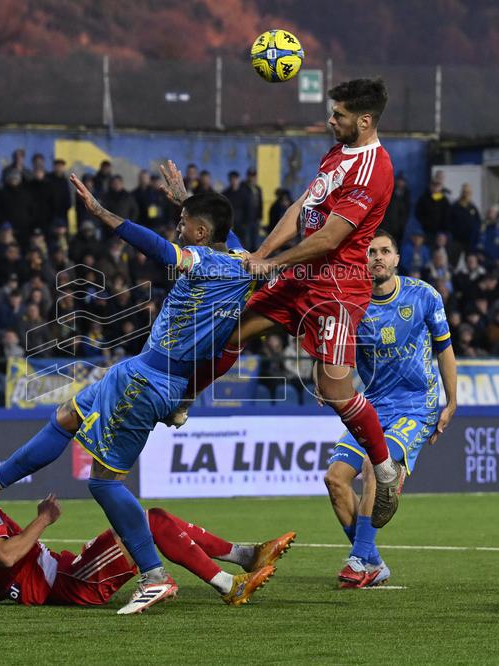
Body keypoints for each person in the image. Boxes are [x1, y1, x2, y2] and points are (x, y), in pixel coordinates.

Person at [0, 165, 254, 614]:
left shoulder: (202, 261)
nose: (178, 228)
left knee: (104, 483)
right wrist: (184, 200)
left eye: (185, 225)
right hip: (144, 371)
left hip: (147, 380)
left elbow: (159, 248)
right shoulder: (239, 259)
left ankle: (154, 576)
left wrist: (102, 212)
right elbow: (223, 235)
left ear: (201, 233)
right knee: (65, 417)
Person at [167, 78, 404, 528]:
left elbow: (332, 236)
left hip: (338, 287)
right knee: (232, 329)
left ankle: (385, 468)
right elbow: (302, 209)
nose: (330, 120)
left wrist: (272, 265)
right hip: (304, 275)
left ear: (365, 120)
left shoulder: (376, 169)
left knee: (334, 389)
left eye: (339, 115)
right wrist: (260, 255)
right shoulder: (338, 152)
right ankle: (185, 397)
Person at [0, 445, 291, 610]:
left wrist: (9, 591)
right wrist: (44, 517)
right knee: (148, 520)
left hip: (62, 576)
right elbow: (6, 556)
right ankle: (229, 583)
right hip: (67, 580)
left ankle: (246, 557)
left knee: (151, 519)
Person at [323, 231, 457, 588]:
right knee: (335, 480)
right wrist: (327, 380)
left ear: (397, 258)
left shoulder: (424, 295)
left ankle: (357, 558)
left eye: (384, 251)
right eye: (370, 252)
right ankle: (372, 562)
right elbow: (336, 353)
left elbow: (445, 350)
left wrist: (452, 402)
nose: (377, 257)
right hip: (374, 405)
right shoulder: (352, 302)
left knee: (373, 464)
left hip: (416, 406)